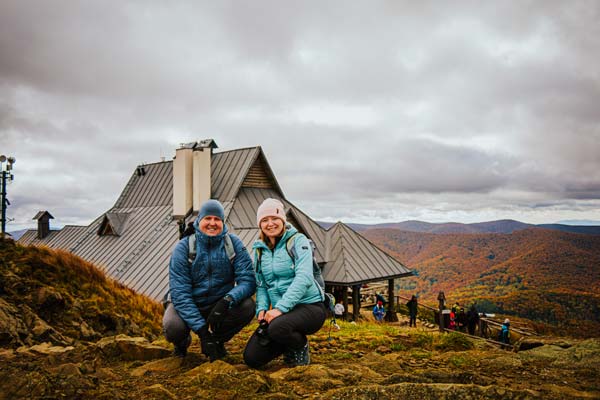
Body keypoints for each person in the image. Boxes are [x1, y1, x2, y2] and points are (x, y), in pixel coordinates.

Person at [163, 200, 256, 361]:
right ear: (199, 221)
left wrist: (227, 300)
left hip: (218, 303)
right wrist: (203, 332)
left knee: (247, 306)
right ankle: (181, 343)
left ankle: (218, 341)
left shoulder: (233, 244)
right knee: (173, 326)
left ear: (222, 222)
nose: (212, 223)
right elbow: (180, 293)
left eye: (217, 219)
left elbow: (248, 280)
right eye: (208, 218)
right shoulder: (184, 248)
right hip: (189, 302)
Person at [243, 198, 327, 368]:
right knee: (252, 358)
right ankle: (287, 340)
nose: (270, 224)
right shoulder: (259, 250)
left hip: (310, 307)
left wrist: (279, 309)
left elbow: (304, 278)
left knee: (277, 328)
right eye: (265, 220)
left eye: (274, 218)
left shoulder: (298, 241)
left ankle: (299, 346)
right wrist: (261, 308)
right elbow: (262, 285)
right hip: (282, 314)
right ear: (260, 225)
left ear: (283, 220)